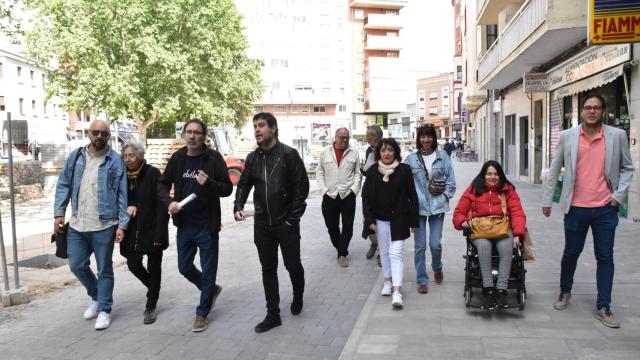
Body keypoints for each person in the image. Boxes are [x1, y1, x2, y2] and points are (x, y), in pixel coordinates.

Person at [542, 94, 634, 328]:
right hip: (575, 208)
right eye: (588, 108)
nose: (592, 111)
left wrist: (617, 197)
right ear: (582, 111)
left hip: (605, 209)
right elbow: (554, 169)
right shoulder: (567, 136)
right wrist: (546, 200)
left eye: (596, 108)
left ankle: (604, 305)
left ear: (603, 111)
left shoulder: (617, 136)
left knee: (605, 256)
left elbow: (627, 168)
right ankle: (565, 291)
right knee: (571, 253)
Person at [234, 112, 309, 333]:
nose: (257, 130)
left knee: (292, 265)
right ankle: (272, 314)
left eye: (262, 125)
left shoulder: (289, 154)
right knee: (268, 269)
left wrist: (291, 220)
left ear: (273, 128)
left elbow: (301, 189)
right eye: (255, 126)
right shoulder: (253, 158)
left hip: (286, 223)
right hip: (262, 224)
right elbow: (244, 184)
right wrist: (238, 205)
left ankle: (298, 295)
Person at [158, 118, 233, 333]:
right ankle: (211, 291)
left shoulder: (213, 158)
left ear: (204, 136)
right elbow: (162, 184)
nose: (193, 136)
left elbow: (227, 188)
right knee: (184, 267)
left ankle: (202, 313)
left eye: (197, 132)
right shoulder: (178, 158)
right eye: (189, 132)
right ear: (184, 134)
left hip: (206, 227)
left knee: (209, 271)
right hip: (184, 225)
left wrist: (209, 183)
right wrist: (169, 202)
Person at [53, 120, 128, 330]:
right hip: (77, 224)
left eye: (104, 133)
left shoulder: (115, 160)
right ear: (88, 134)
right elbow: (64, 183)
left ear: (108, 136)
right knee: (76, 264)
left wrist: (122, 225)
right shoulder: (76, 156)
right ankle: (96, 295)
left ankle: (104, 309)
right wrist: (59, 213)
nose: (99, 137)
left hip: (104, 225)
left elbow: (123, 194)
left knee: (104, 268)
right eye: (96, 133)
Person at [453, 160, 526, 309]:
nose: (492, 177)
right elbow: (459, 211)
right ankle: (488, 290)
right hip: (480, 230)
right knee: (484, 246)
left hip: (502, 228)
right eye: (489, 174)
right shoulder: (474, 189)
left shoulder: (508, 190)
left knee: (507, 247)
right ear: (483, 175)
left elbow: (517, 212)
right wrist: (462, 222)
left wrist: (518, 233)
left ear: (500, 176)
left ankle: (501, 290)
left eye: (495, 174)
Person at [362, 138, 418, 309]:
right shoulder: (372, 171)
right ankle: (387, 280)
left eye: (390, 150)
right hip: (379, 220)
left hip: (399, 219)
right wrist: (369, 220)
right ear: (379, 152)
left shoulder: (404, 170)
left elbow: (412, 196)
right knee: (385, 252)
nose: (386, 153)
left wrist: (413, 221)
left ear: (396, 152)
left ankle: (397, 291)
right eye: (383, 150)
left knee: (396, 254)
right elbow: (366, 197)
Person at [120, 140, 169, 324]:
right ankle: (154, 288)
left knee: (154, 268)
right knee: (133, 264)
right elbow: (123, 198)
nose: (128, 159)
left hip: (152, 228)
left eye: (131, 155)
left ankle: (151, 306)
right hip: (132, 231)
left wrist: (161, 233)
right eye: (125, 156)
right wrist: (131, 204)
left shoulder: (153, 173)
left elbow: (161, 202)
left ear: (140, 155)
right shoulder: (123, 176)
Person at [404, 124, 456, 294]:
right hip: (417, 208)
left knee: (435, 244)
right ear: (418, 139)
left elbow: (451, 182)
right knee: (420, 246)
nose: (426, 140)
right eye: (422, 137)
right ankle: (422, 279)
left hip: (438, 207)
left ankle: (437, 266)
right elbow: (404, 184)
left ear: (434, 138)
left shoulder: (443, 156)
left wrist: (445, 197)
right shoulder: (411, 159)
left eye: (429, 136)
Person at [316, 127, 362, 267]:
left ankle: (342, 254)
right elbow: (319, 172)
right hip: (330, 195)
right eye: (342, 137)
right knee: (332, 227)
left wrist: (354, 190)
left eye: (347, 137)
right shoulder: (325, 152)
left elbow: (357, 173)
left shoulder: (354, 152)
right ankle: (341, 249)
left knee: (348, 227)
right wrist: (323, 189)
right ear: (335, 137)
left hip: (347, 195)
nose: (345, 140)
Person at [360, 124, 383, 264]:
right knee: (368, 220)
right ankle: (374, 243)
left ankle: (382, 251)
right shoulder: (369, 150)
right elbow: (369, 171)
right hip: (368, 190)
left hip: (381, 191)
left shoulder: (385, 149)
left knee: (382, 222)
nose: (367, 139)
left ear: (377, 137)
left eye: (370, 136)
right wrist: (363, 170)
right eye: (367, 136)